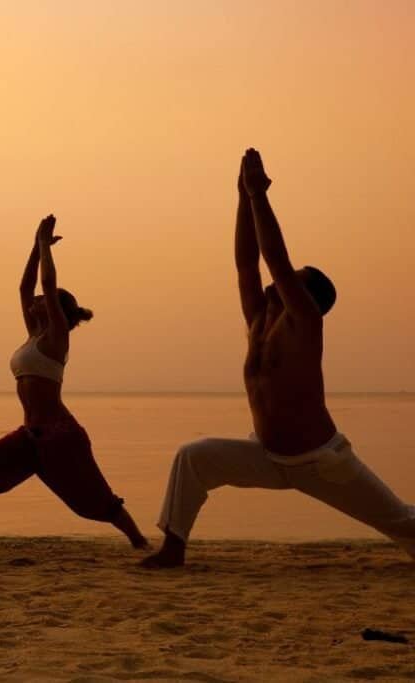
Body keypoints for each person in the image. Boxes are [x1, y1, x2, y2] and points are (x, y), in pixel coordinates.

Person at [143, 148, 415, 568]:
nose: (275, 286)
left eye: (291, 283)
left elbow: (275, 261)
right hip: (267, 456)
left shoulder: (304, 322)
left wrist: (258, 196)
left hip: (321, 462)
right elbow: (245, 264)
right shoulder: (258, 322)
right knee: (193, 457)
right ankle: (173, 549)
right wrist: (240, 196)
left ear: (305, 298)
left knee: (401, 521)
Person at [0, 216, 148, 549]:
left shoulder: (56, 337)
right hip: (29, 436)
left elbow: (49, 287)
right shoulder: (32, 335)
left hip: (60, 436)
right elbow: (24, 288)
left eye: (42, 300)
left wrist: (44, 246)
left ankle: (138, 540)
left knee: (95, 501)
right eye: (36, 300)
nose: (35, 300)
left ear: (56, 311)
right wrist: (34, 247)